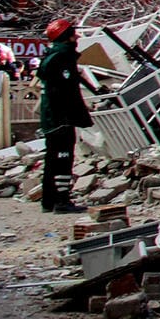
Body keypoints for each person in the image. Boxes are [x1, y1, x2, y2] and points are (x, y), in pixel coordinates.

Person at [37, 19, 98, 213]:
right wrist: (78, 116)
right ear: (66, 37)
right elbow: (67, 93)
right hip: (60, 119)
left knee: (52, 159)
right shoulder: (62, 58)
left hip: (51, 119)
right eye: (73, 34)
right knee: (63, 158)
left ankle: (49, 200)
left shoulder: (51, 56)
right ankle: (61, 201)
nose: (77, 37)